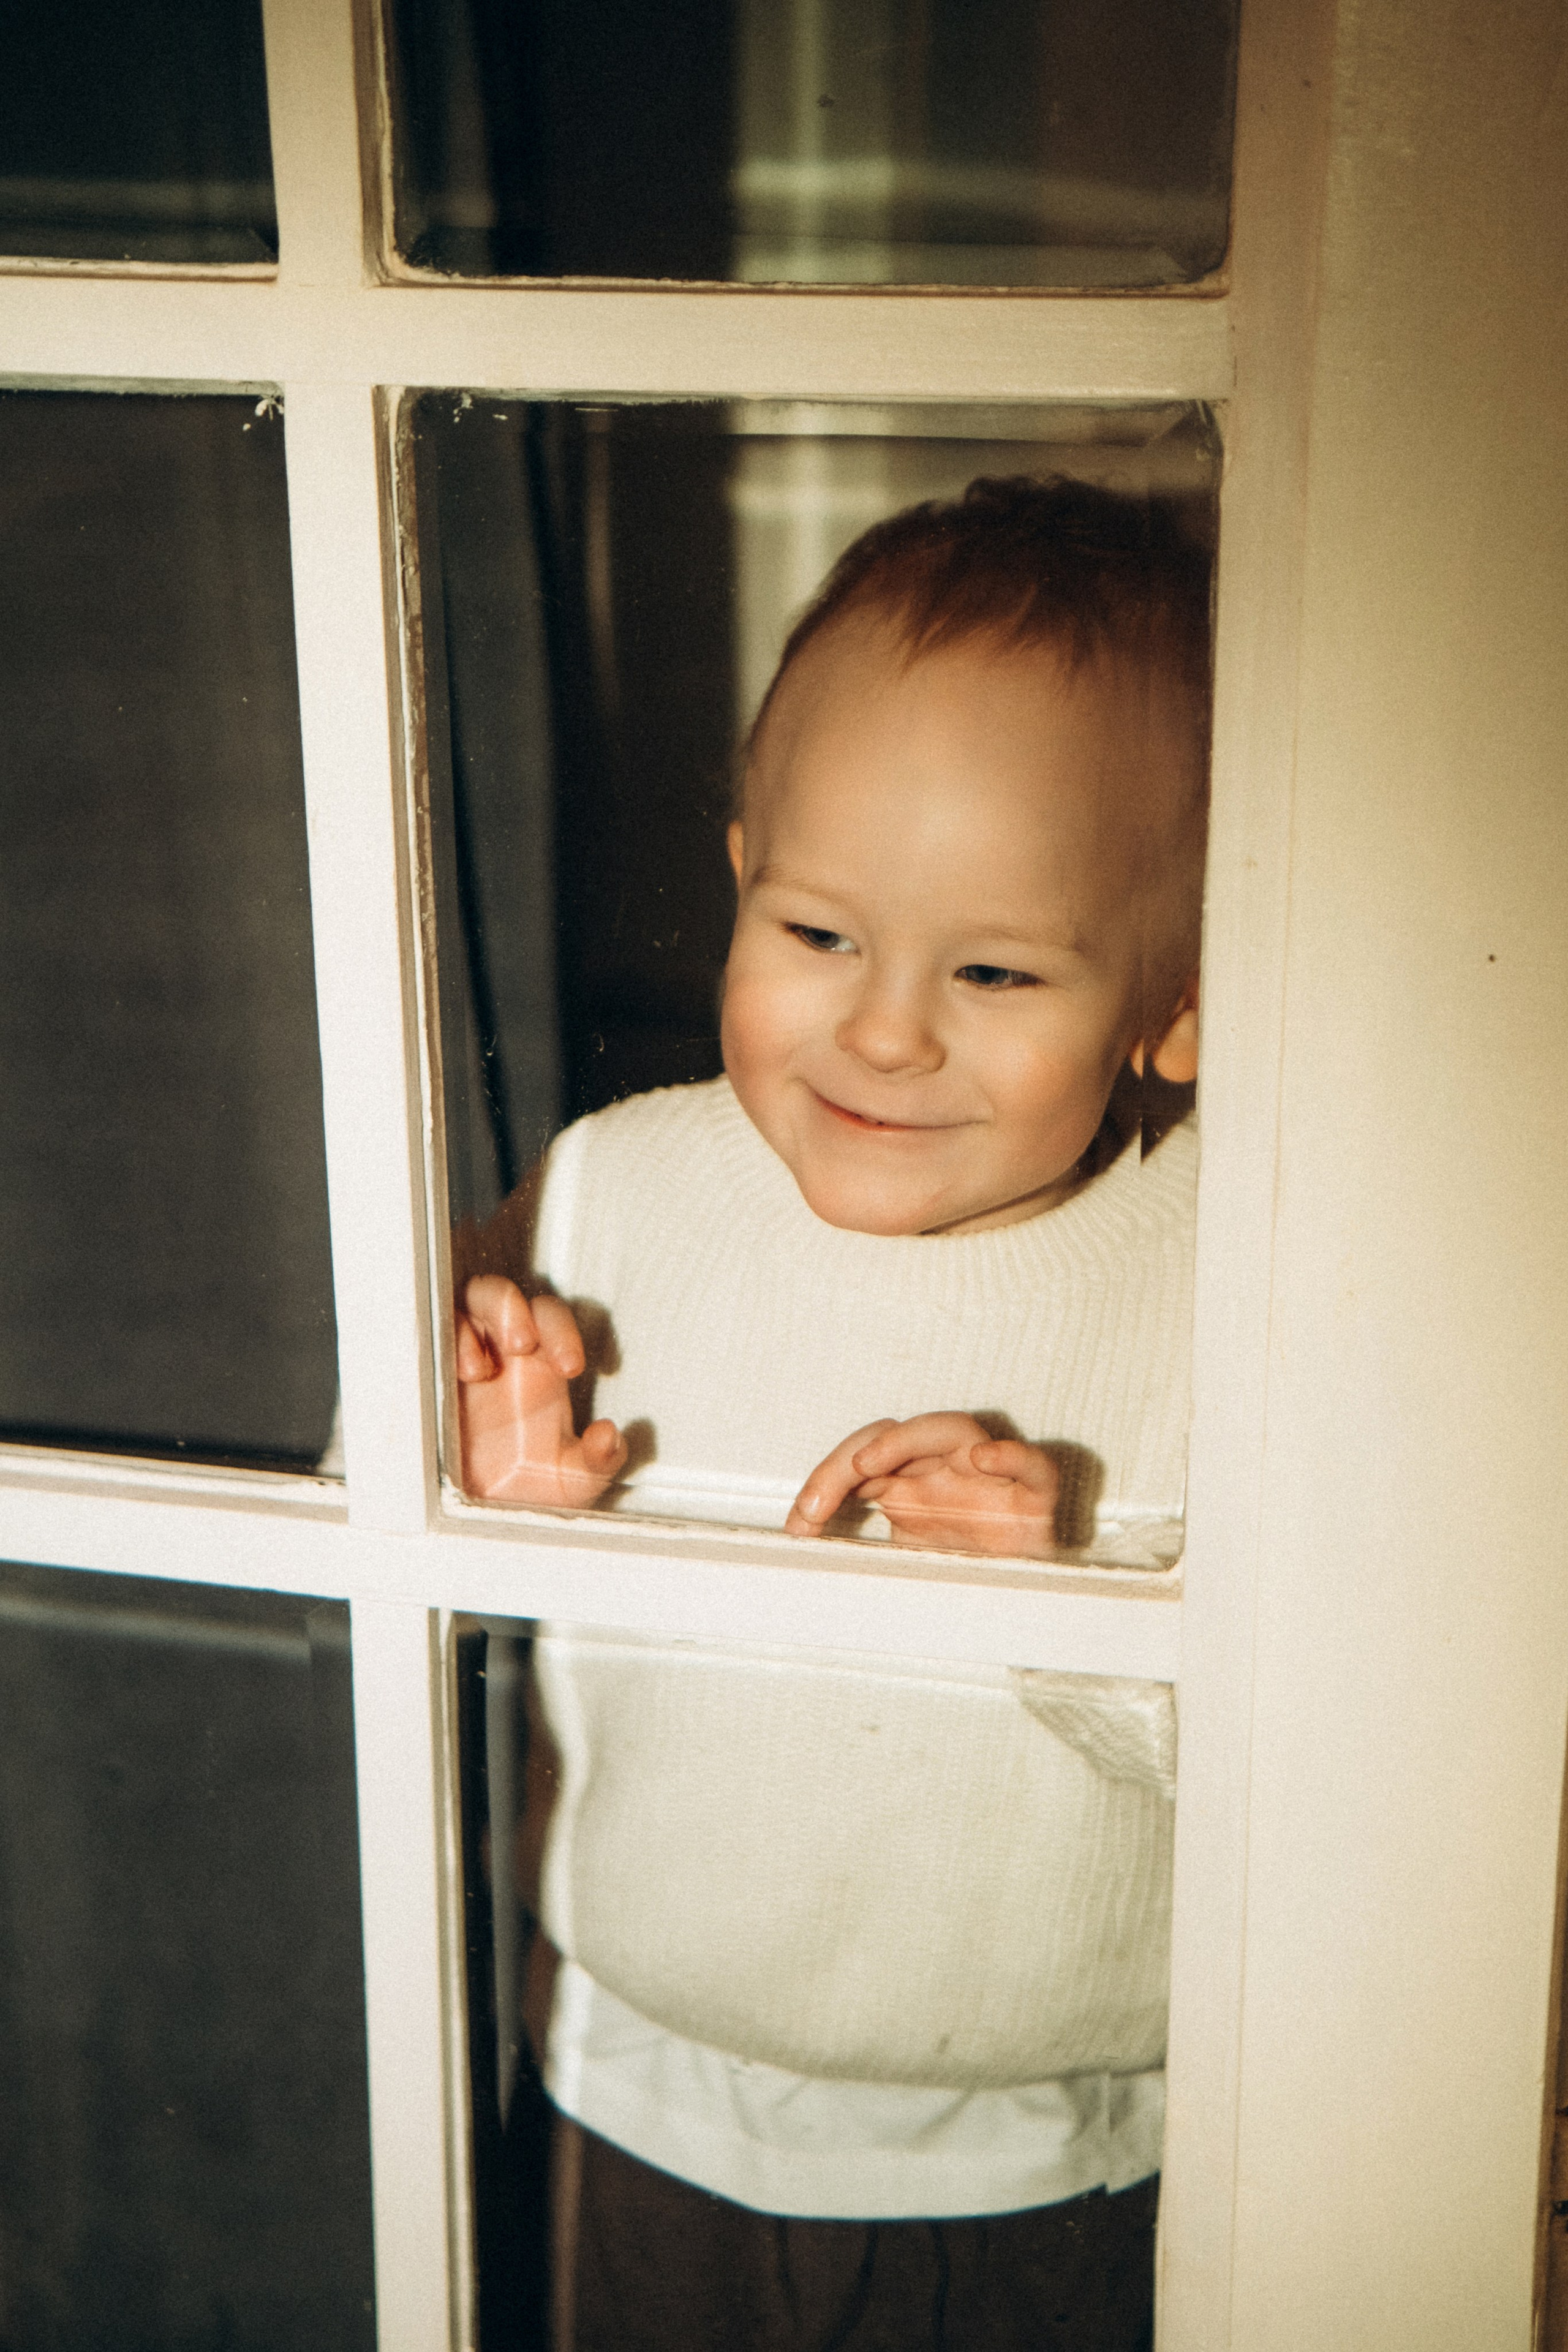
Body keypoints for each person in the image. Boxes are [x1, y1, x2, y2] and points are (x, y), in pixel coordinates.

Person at [453, 475, 1210, 2350]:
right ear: (739, 874)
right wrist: (477, 1468)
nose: (884, 1032)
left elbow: (1348, 1766)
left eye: (995, 970)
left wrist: (1074, 1610)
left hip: (1059, 2159)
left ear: (1170, 1007)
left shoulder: (1236, 1265)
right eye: (816, 937)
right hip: (646, 2101)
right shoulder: (616, 1190)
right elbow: (350, 1512)